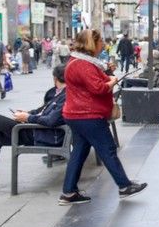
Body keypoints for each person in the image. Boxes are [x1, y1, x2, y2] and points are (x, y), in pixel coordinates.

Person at [60, 29, 147, 206]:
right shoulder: (82, 64)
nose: (103, 45)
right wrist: (112, 81)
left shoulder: (79, 61)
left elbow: (89, 82)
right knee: (107, 148)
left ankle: (69, 192)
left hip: (77, 114)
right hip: (87, 115)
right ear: (92, 44)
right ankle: (124, 185)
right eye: (100, 42)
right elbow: (98, 88)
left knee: (79, 151)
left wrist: (106, 71)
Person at [0, 64, 68, 191]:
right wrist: (27, 113)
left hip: (40, 134)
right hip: (37, 130)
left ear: (55, 78)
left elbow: (52, 120)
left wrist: (27, 118)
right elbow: (42, 110)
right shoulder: (58, 93)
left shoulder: (65, 96)